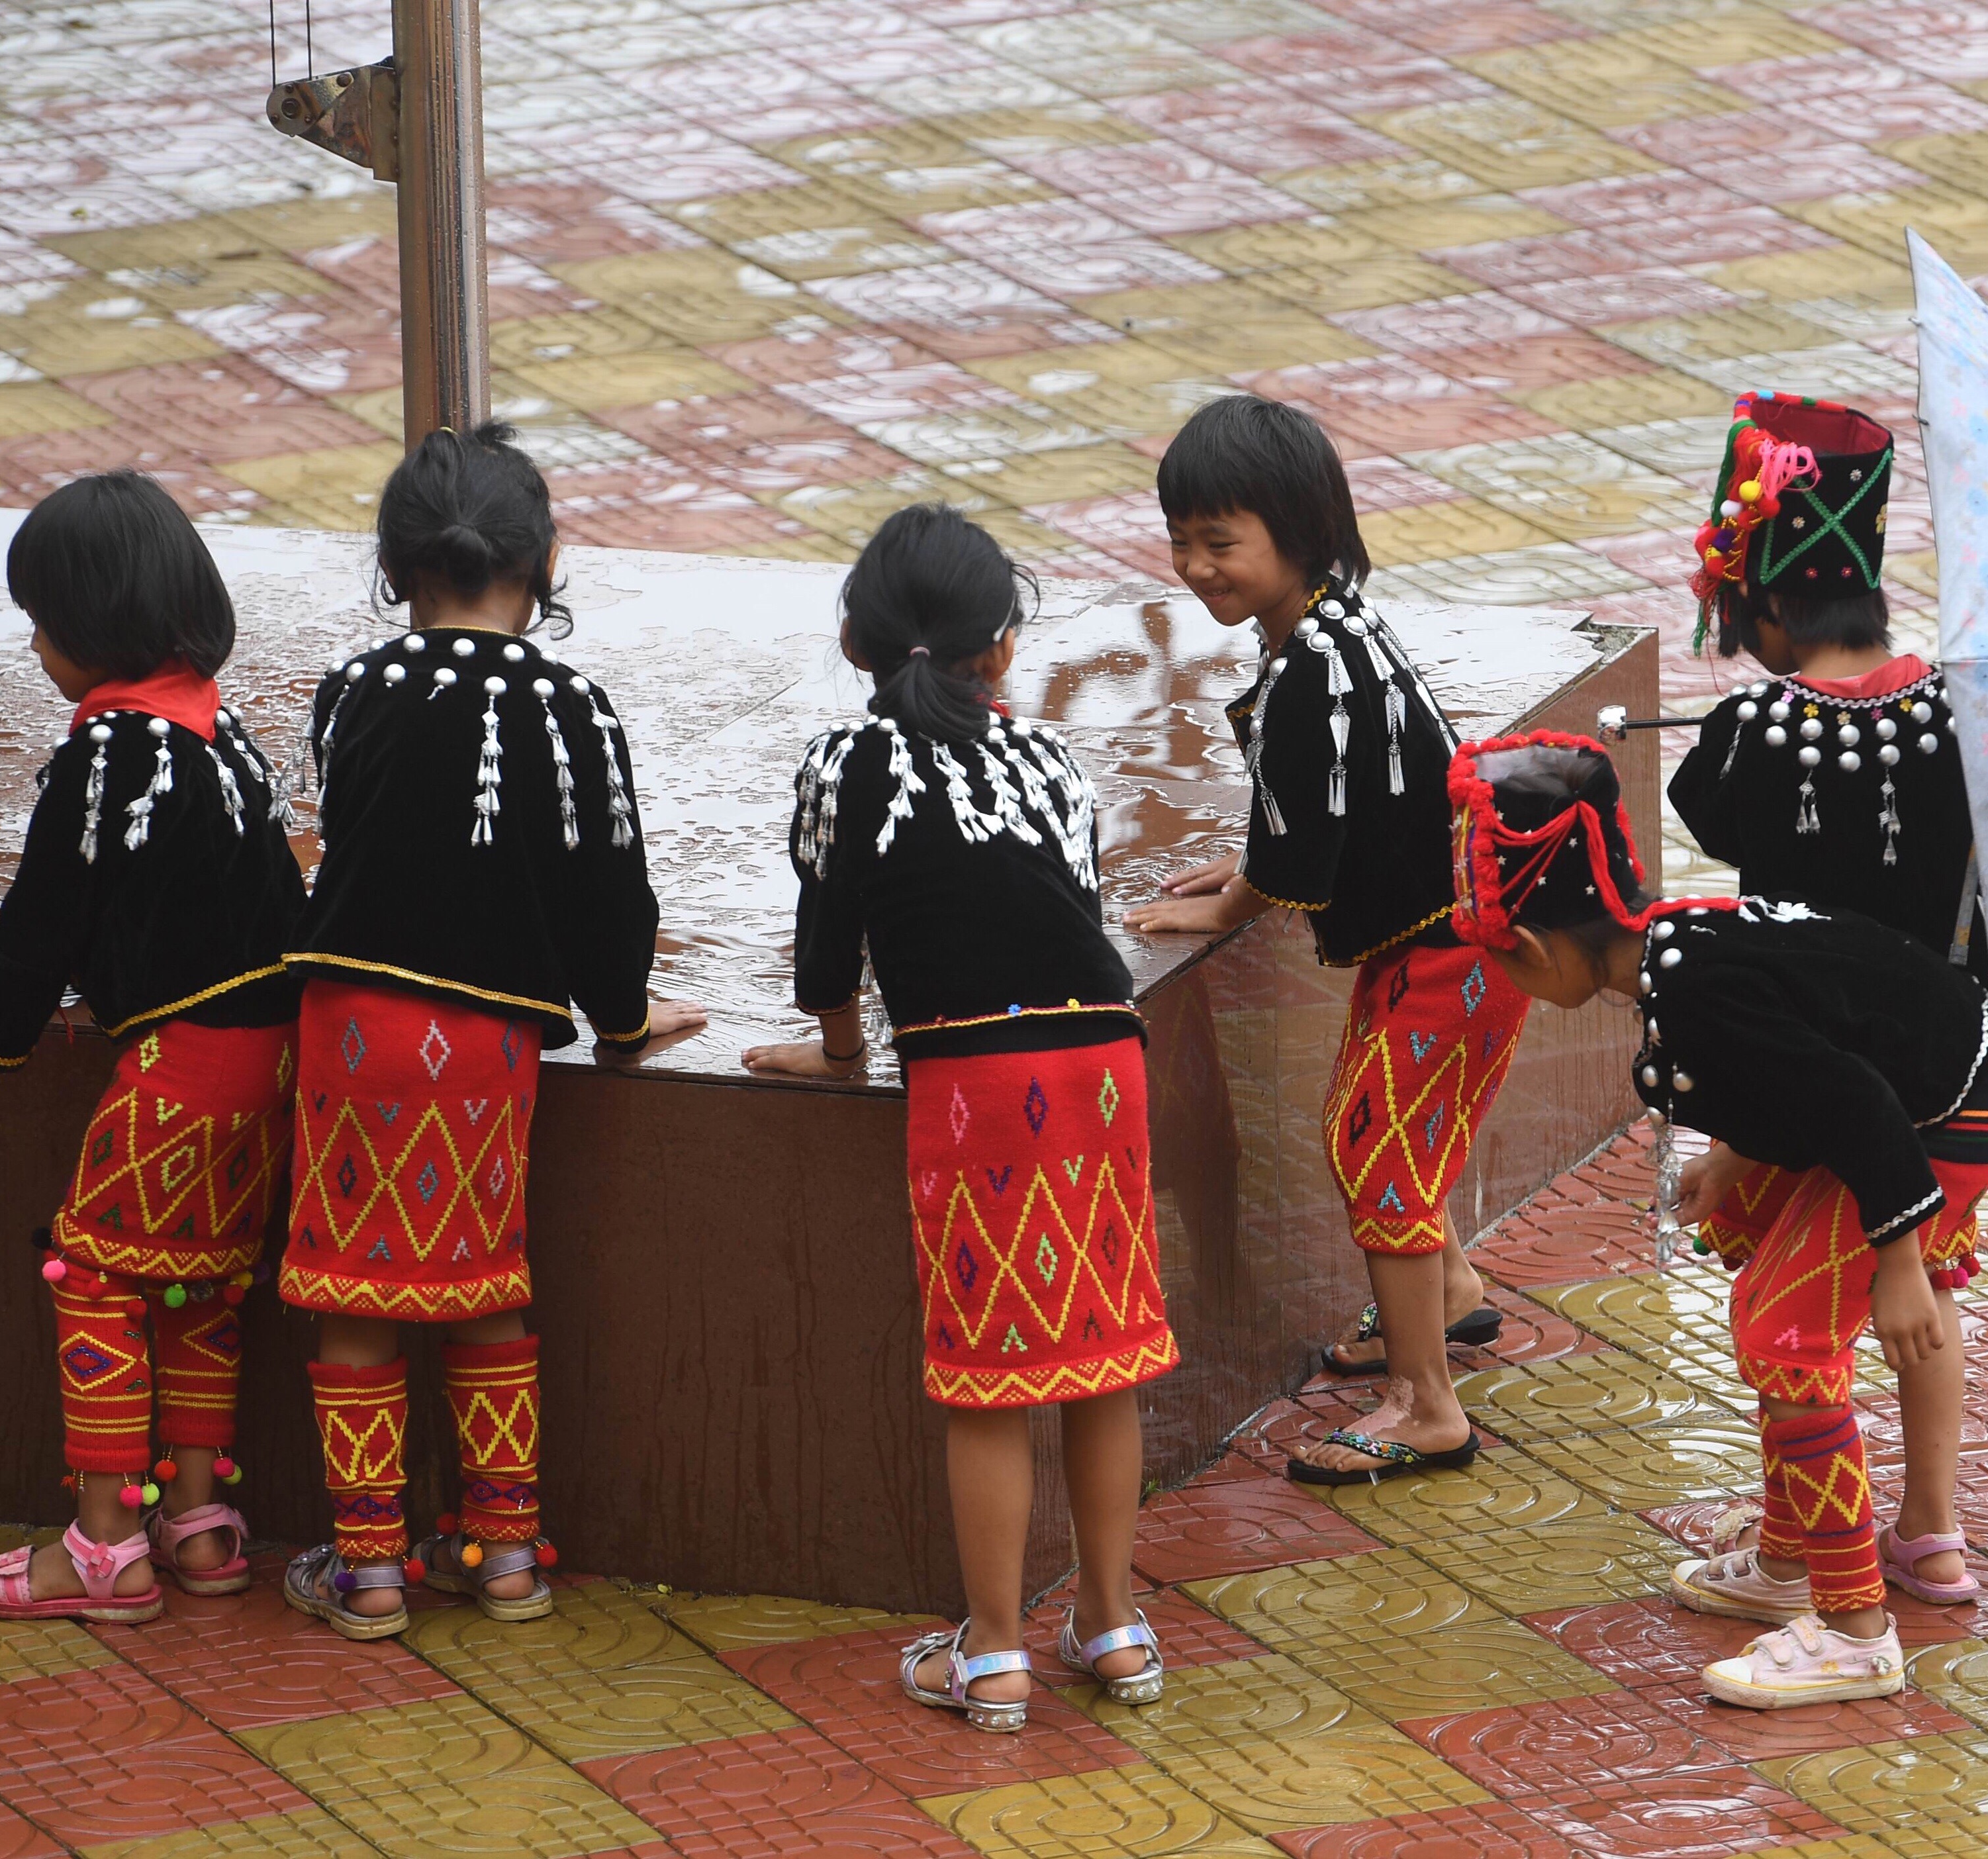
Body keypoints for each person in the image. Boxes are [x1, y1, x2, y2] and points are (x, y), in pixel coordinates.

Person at [1445, 732, 1988, 1707]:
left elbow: (1857, 1105)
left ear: (1536, 946)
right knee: (1767, 1304)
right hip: (1915, 1084)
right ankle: (1788, 1561)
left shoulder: (1692, 986)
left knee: (1785, 1332)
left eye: (1506, 962)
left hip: (1937, 1118)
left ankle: (1853, 1629)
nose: (1513, 984)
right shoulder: (1675, 942)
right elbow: (1800, 1042)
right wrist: (1733, 1157)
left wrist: (1900, 1267)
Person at [745, 503, 1174, 1732]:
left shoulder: (845, 762)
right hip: (1101, 1064)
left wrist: (834, 1055)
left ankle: (990, 1652)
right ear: (1002, 646)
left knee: (988, 1380)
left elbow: (828, 955)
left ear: (852, 640)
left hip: (977, 1081)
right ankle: (1115, 1629)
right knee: (1101, 1354)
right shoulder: (1044, 758)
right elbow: (1071, 904)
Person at [278, 423, 703, 1639]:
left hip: (348, 1031)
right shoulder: (573, 705)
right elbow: (609, 897)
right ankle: (507, 1555)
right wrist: (623, 1016)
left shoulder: (353, 687)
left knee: (351, 1292)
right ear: (545, 559)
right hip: (483, 1047)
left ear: (396, 564)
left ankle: (367, 1573)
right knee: (485, 1283)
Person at [0, 472, 306, 1625]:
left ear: (89, 626)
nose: (33, 646)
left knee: (100, 1276)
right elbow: (188, 906)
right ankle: (201, 1519)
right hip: (266, 1065)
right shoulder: (225, 738)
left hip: (181, 1073)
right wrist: (60, 967)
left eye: (41, 623)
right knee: (202, 1287)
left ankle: (106, 1543)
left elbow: (47, 907)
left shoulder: (108, 754)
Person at [1127, 393, 1524, 1484]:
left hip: (1447, 951)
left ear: (1297, 533)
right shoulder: (1329, 625)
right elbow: (1318, 800)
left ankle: (1424, 1404)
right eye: (1182, 541)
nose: (1197, 565)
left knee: (1382, 1154)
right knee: (1377, 1130)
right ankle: (1444, 1296)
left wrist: (1232, 898)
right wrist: (1246, 855)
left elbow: (1300, 857)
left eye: (1221, 542)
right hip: (1437, 939)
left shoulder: (1311, 668)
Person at [1668, 390, 1985, 1607]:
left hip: (1805, 1067)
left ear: (1770, 603)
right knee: (1920, 1292)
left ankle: (1796, 1550)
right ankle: (1933, 1527)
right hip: (1943, 1067)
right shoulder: (1964, 711)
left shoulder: (1753, 728)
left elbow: (1703, 814)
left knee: (1792, 1312)